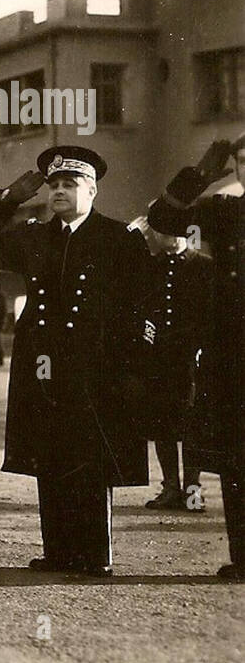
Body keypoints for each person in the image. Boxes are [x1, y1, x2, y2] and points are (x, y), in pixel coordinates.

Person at [0, 146, 148, 577]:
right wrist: (9, 198)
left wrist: (129, 366)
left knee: (90, 456)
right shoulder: (36, 235)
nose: (59, 192)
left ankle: (94, 554)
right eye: (54, 185)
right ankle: (59, 550)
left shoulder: (118, 237)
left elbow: (138, 302)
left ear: (92, 190)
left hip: (95, 364)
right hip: (42, 359)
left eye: (70, 184)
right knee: (49, 454)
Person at [148, 136, 245, 582]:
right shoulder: (225, 213)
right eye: (242, 161)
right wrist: (200, 176)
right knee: (236, 458)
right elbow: (164, 217)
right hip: (231, 358)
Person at [129, 215, 211, 512]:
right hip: (158, 359)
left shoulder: (202, 265)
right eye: (165, 230)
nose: (172, 236)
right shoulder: (150, 266)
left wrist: (204, 348)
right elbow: (141, 307)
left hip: (191, 359)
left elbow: (212, 313)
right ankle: (170, 488)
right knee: (162, 425)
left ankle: (192, 491)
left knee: (191, 426)